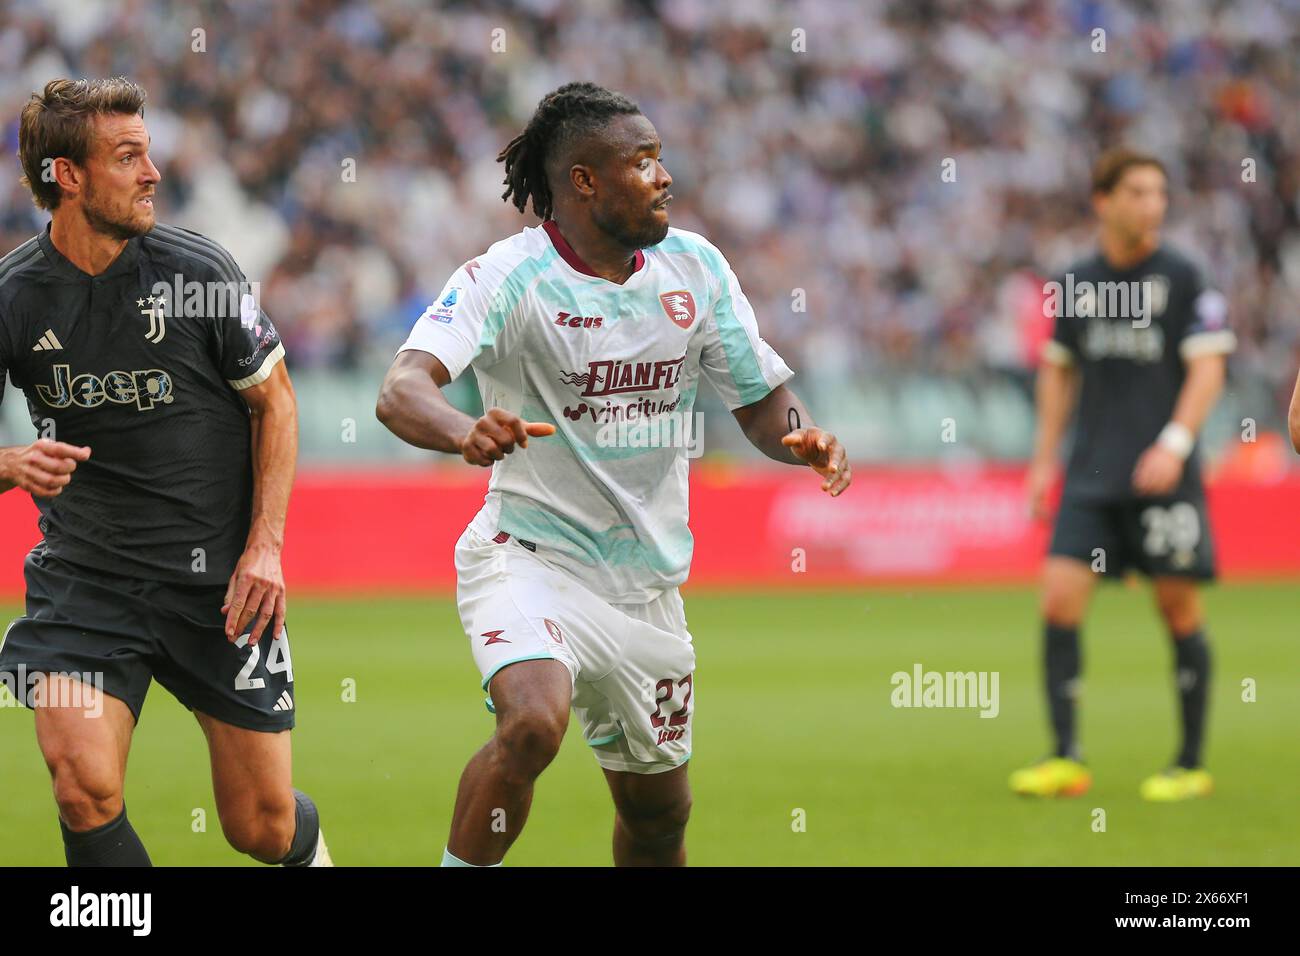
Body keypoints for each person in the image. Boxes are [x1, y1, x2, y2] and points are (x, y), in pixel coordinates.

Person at [377, 82, 851, 865]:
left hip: (646, 589)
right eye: (643, 161)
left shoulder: (694, 268)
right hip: (529, 556)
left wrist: (801, 437)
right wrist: (466, 430)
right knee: (532, 724)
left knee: (659, 815)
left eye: (661, 159)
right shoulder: (507, 277)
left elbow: (763, 402)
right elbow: (401, 390)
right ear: (585, 180)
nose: (664, 176)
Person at [0, 77, 329, 865]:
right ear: (66, 178)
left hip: (217, 587)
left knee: (261, 826)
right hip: (87, 583)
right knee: (82, 783)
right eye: (127, 156)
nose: (152, 172)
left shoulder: (198, 272)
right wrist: (8, 463)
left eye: (147, 152)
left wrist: (265, 548)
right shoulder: (13, 297)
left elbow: (276, 406)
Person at [1013, 147, 1236, 802]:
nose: (1152, 204)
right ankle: (1065, 758)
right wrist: (1042, 461)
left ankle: (1190, 762)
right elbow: (1059, 371)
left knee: (1177, 606)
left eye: (1159, 193)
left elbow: (1208, 368)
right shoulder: (1077, 281)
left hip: (1165, 475)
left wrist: (1174, 442)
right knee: (1057, 598)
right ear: (1103, 201)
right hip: (1091, 475)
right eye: (1137, 192)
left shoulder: (1186, 276)